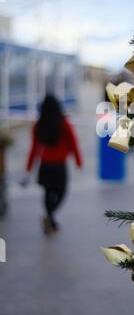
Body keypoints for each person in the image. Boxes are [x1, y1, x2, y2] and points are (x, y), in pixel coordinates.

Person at [25, 95, 82, 235]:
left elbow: (34, 148)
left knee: (47, 192)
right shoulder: (63, 123)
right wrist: (78, 160)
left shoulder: (38, 125)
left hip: (45, 165)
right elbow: (73, 141)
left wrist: (29, 166)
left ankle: (50, 219)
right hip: (59, 165)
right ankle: (50, 217)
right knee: (62, 192)